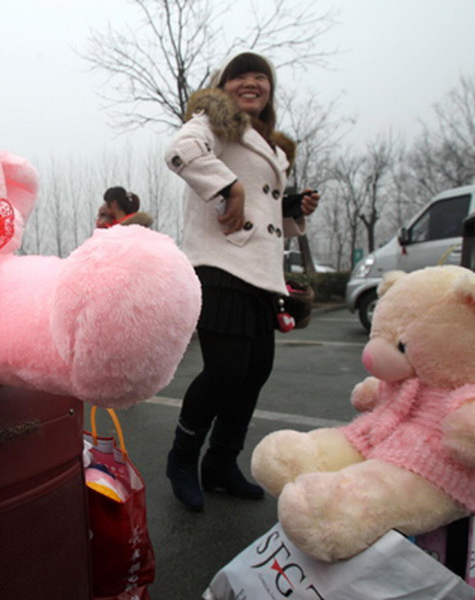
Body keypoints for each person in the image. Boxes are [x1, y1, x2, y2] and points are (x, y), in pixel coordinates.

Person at [163, 50, 319, 511]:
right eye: (240, 76)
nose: (251, 83)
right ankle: (181, 458)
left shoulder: (269, 144)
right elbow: (179, 151)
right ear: (224, 84)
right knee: (226, 370)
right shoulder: (214, 120)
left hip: (260, 275)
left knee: (253, 375)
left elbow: (264, 212)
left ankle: (220, 465)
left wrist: (291, 209)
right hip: (218, 266)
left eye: (260, 77)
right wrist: (228, 186)